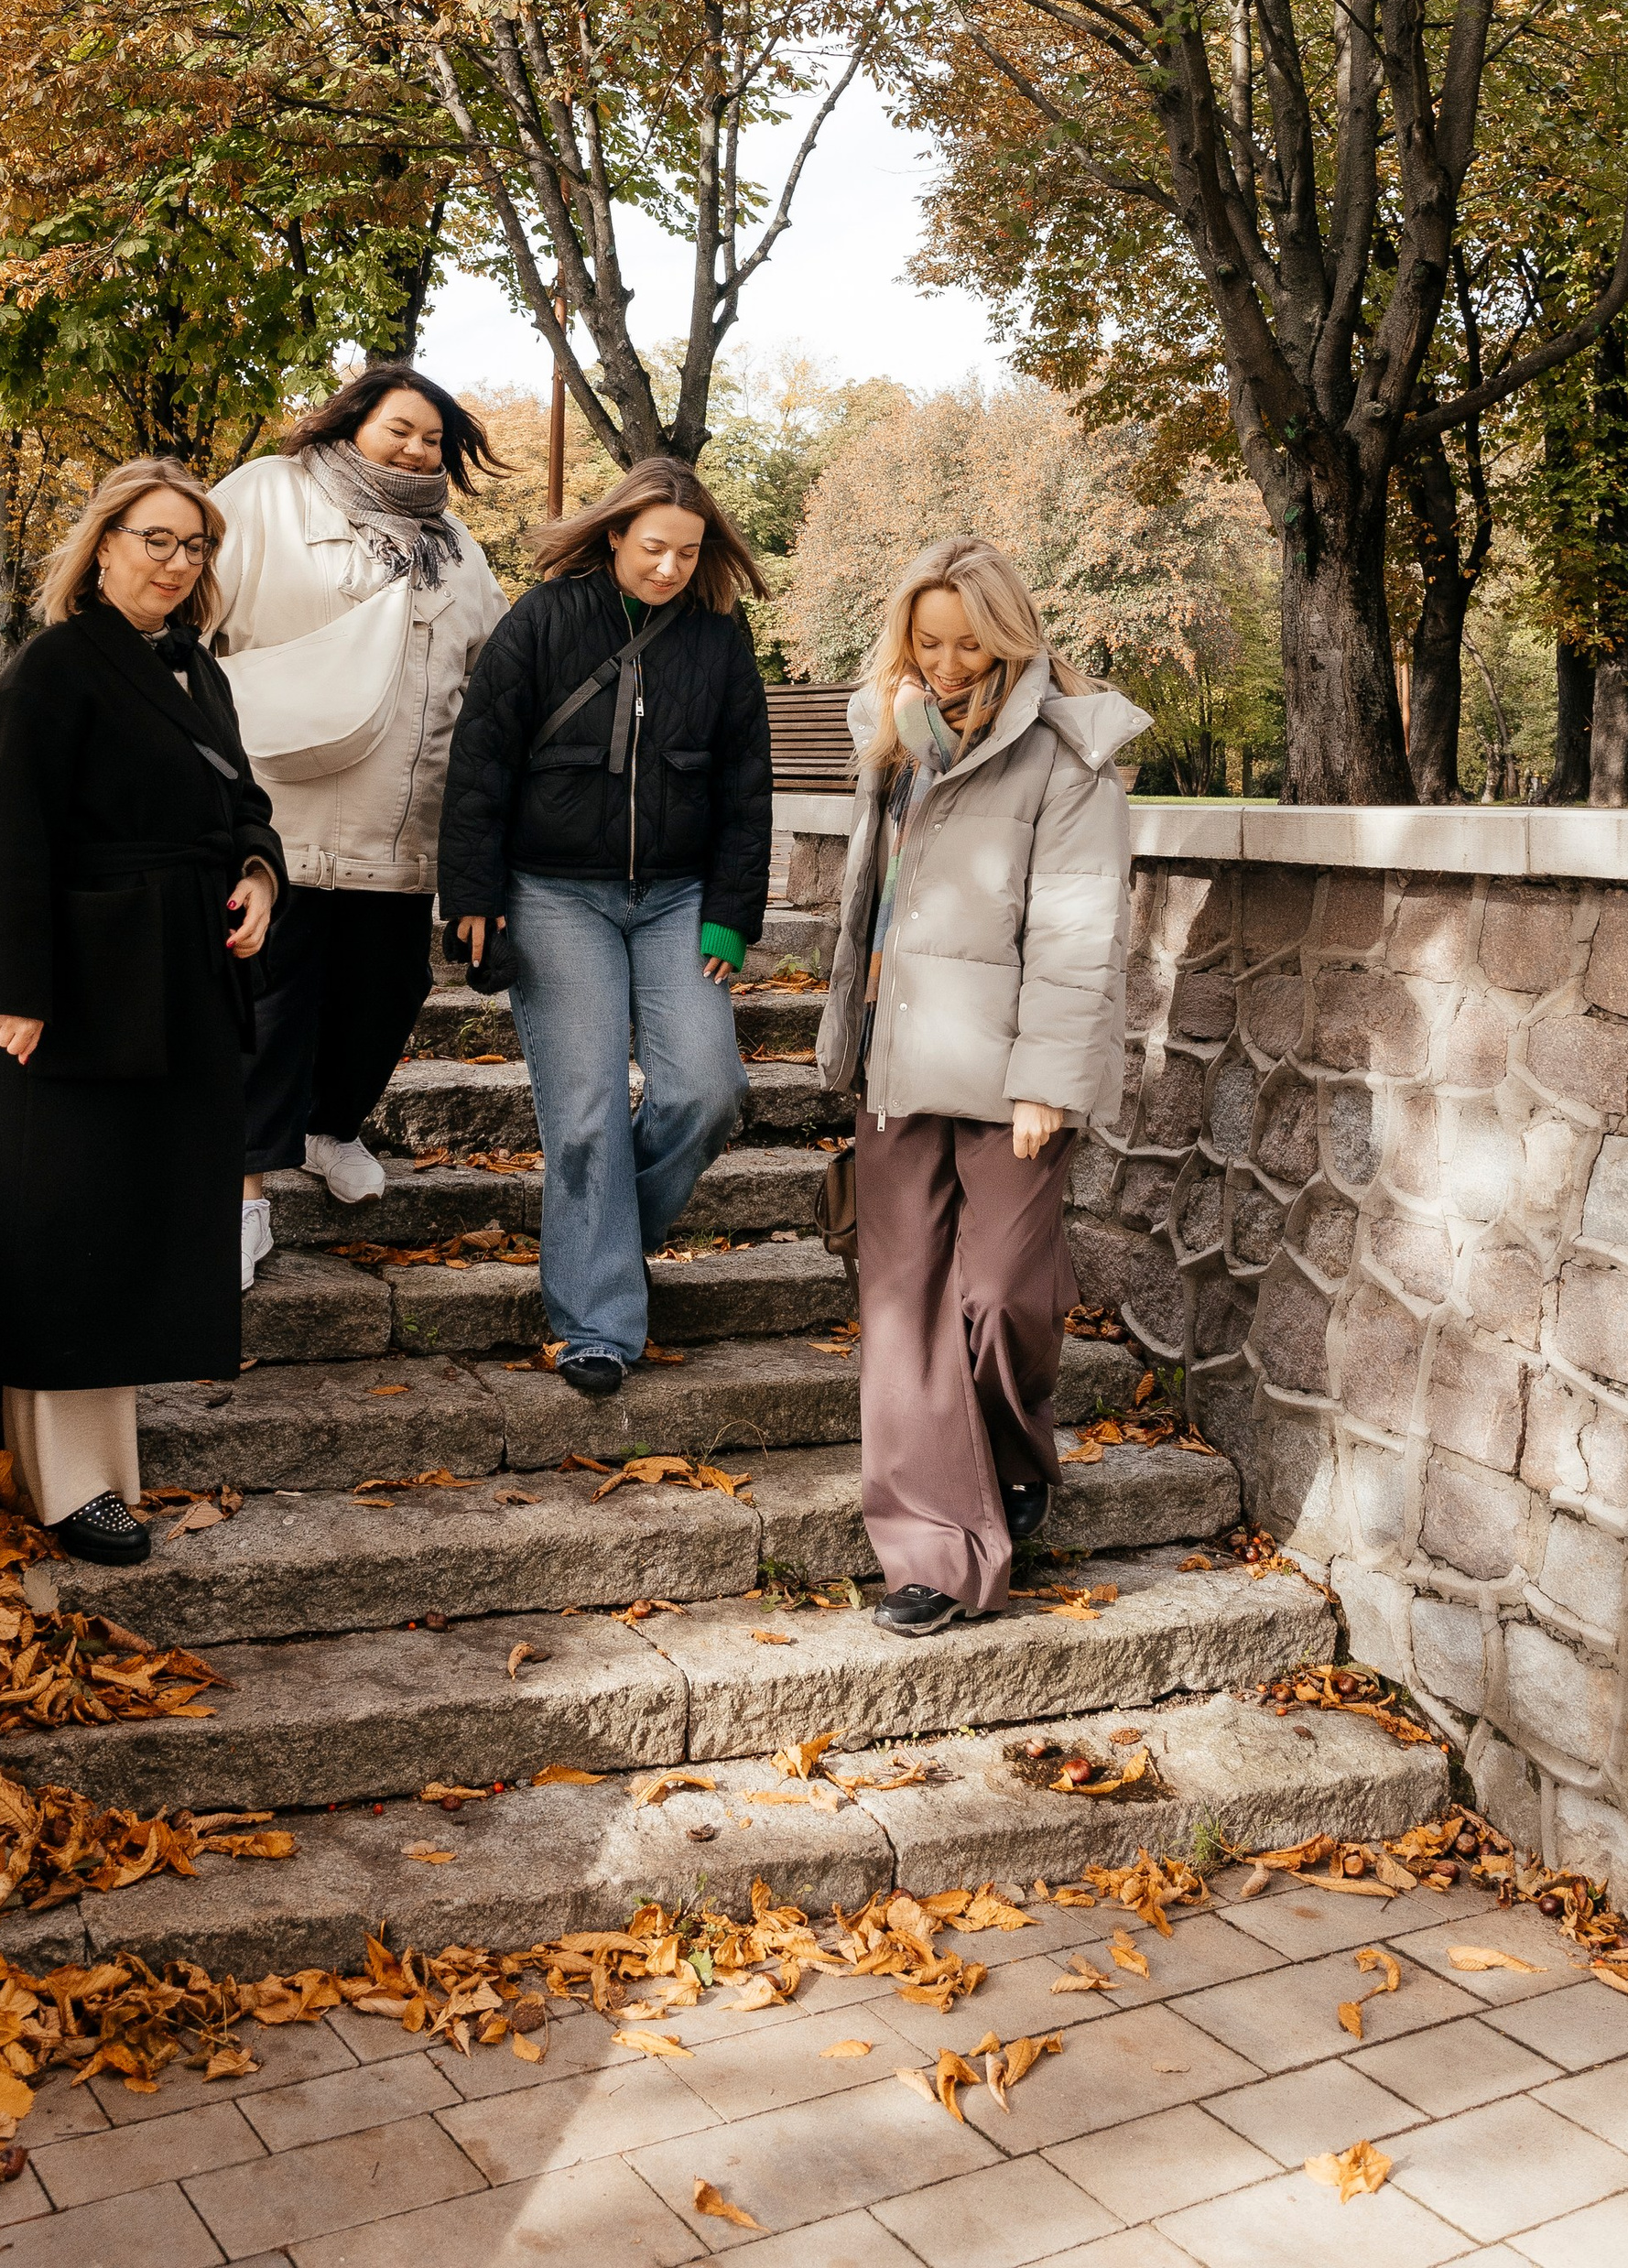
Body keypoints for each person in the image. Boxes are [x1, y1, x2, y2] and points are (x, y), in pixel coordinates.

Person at [0, 458, 282, 1567]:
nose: (177, 564)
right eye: (156, 540)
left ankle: (97, 1461)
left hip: (184, 977)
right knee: (68, 1220)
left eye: (196, 546)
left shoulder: (199, 670)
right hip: (84, 984)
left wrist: (258, 875)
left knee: (131, 1219)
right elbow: (17, 835)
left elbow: (243, 803)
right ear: (102, 549)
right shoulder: (53, 668)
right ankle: (70, 1482)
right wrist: (13, 991)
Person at [816, 534, 1150, 1638]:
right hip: (897, 1063)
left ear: (1010, 639)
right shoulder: (892, 741)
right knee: (904, 1313)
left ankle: (1009, 1453)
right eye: (928, 641)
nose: (948, 664)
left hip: (1014, 1078)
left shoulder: (1070, 755)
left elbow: (1077, 932)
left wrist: (1047, 1081)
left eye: (969, 644)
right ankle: (935, 1552)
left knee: (1005, 1294)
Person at [439, 456, 773, 1394]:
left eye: (688, 552)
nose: (670, 567)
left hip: (678, 900)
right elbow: (481, 761)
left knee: (707, 1091)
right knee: (583, 1114)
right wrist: (471, 892)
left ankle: (599, 1244)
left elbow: (747, 784)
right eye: (654, 547)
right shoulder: (543, 619)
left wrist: (730, 914)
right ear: (617, 533)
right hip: (553, 894)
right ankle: (598, 1324)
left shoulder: (718, 635)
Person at [210, 364, 506, 1277]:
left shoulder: (455, 543)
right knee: (272, 1006)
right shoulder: (270, 493)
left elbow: (489, 665)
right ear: (351, 423)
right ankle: (242, 1195)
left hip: (405, 823)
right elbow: (196, 616)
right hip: (284, 812)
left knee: (387, 994)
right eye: (399, 429)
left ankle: (330, 1128)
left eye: (433, 438)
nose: (416, 449)